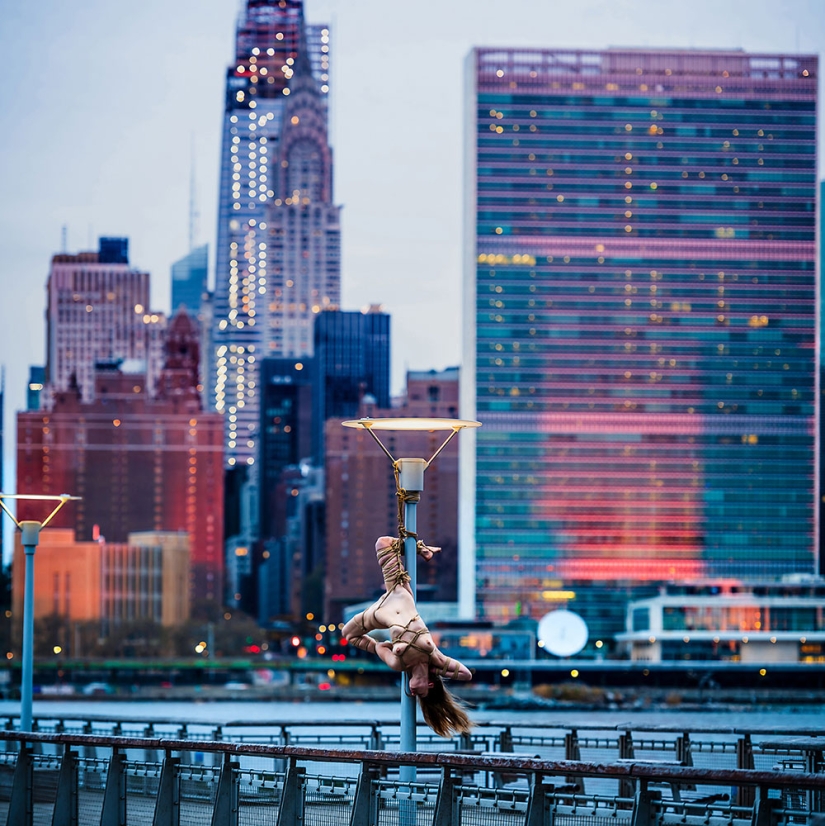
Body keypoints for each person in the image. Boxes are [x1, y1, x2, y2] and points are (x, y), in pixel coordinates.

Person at [342, 536, 473, 737]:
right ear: (430, 685)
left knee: (347, 634)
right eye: (420, 694)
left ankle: (419, 548)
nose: (414, 694)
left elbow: (379, 648)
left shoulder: (399, 664)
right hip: (398, 594)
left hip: (376, 615)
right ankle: (420, 548)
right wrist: (437, 668)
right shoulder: (435, 659)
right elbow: (466, 674)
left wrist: (387, 645)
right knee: (382, 543)